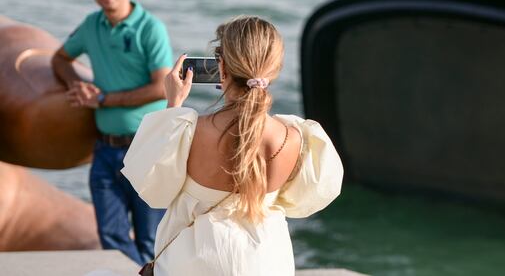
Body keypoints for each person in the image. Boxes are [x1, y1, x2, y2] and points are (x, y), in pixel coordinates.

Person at [121, 15, 343, 275]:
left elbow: (153, 190)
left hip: (194, 263)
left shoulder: (190, 131)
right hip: (266, 261)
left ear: (222, 68)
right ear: (274, 68)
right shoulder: (296, 137)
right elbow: (304, 200)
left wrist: (173, 107)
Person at [51, 0, 173, 264]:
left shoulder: (150, 28)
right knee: (112, 241)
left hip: (146, 148)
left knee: (151, 242)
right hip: (104, 151)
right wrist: (76, 86)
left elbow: (161, 86)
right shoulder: (92, 25)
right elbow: (60, 59)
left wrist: (102, 99)